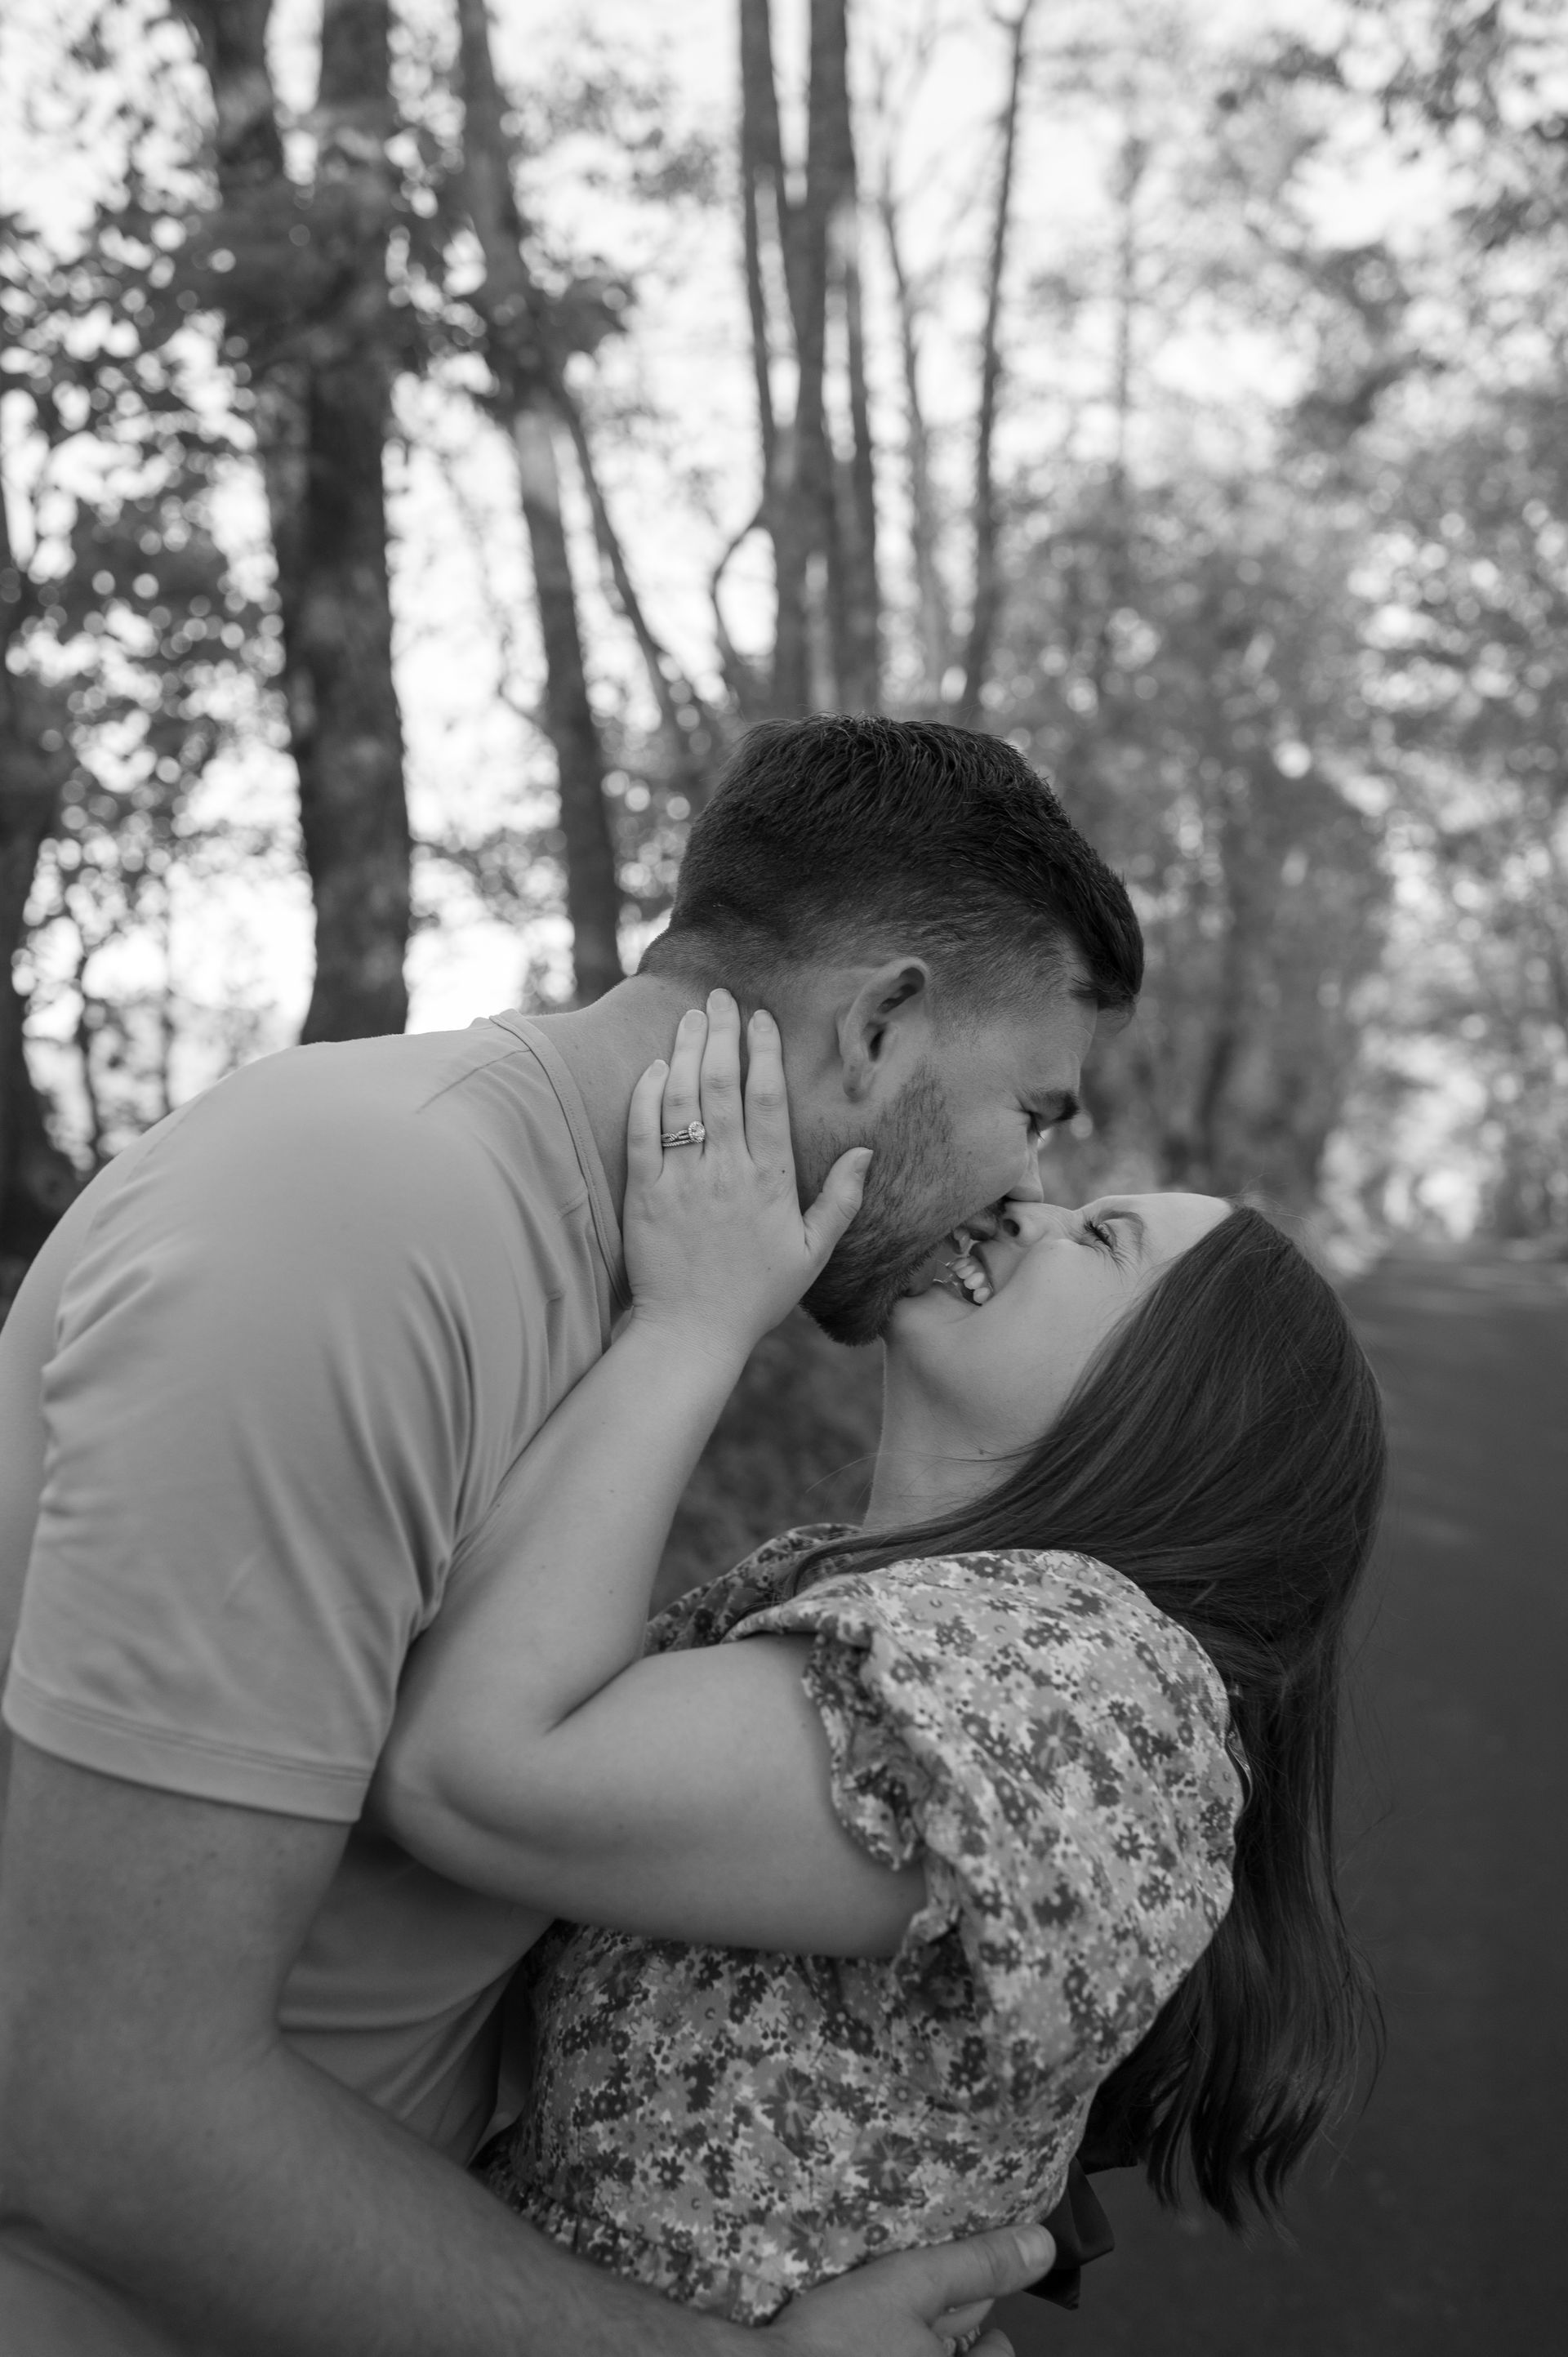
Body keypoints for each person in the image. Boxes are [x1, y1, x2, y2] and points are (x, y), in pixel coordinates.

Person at [0, 718, 1138, 2356]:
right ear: (881, 1025)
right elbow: (101, 2100)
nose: (1027, 1188)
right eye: (1034, 1111)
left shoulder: (650, 1266)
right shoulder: (358, 1223)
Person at [373, 991, 1385, 2329]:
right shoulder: (863, 1599)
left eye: (1100, 1238)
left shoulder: (1082, 1687)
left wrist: (692, 1324)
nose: (1025, 1205)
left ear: (1180, 1412)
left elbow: (471, 1772)